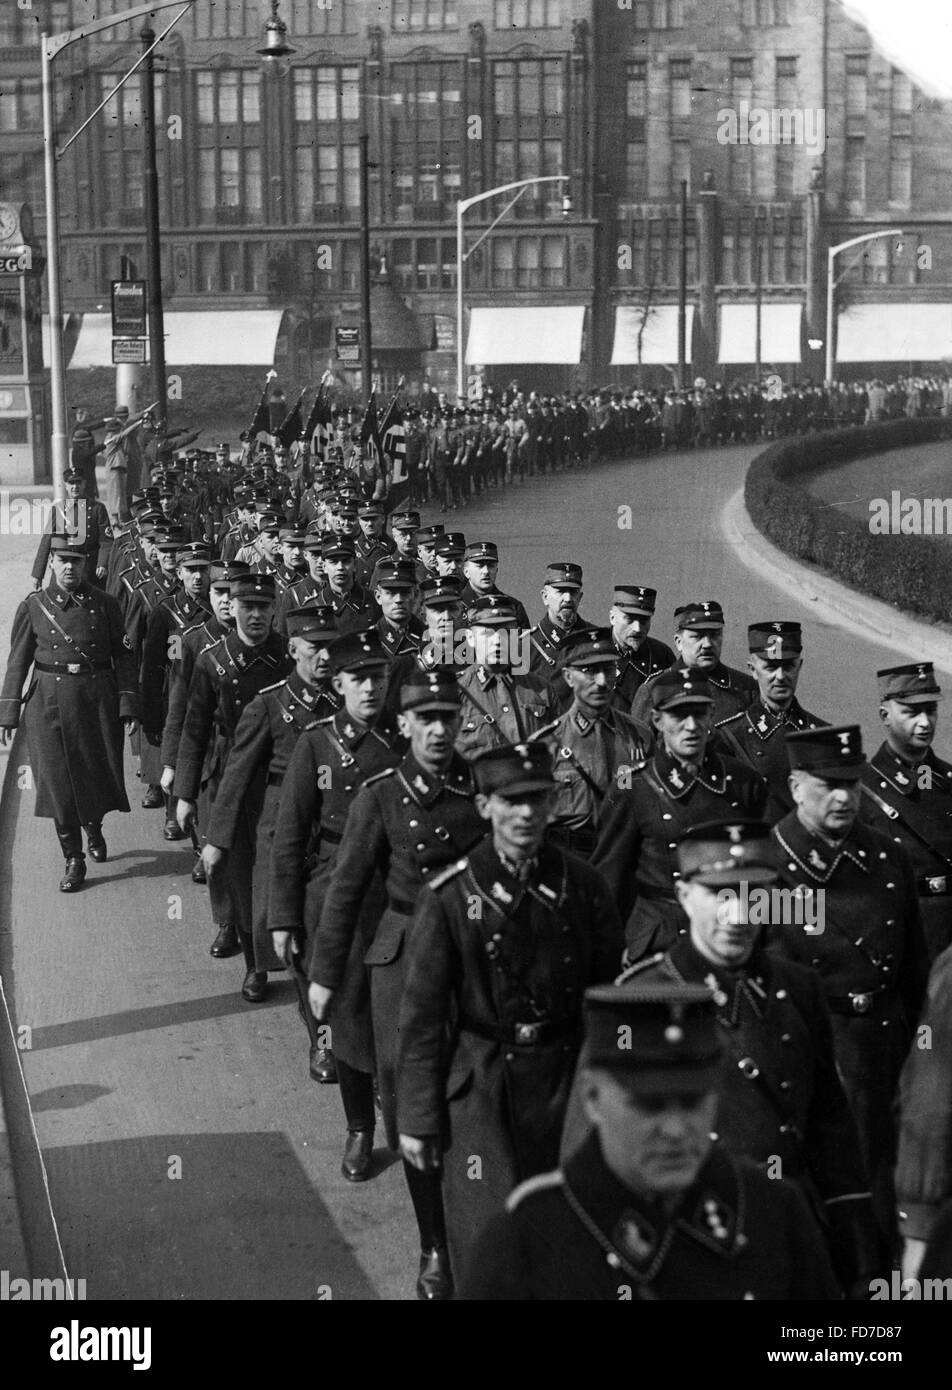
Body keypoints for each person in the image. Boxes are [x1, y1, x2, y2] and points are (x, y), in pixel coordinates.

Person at [565, 818, 882, 1295]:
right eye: (719, 893)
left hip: (786, 1235)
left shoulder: (797, 989)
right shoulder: (637, 1001)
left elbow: (831, 1132)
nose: (737, 915)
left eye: (753, 894)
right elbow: (586, 1148)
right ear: (685, 894)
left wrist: (860, 1258)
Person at [397, 740, 624, 1284]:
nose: (525, 813)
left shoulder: (584, 887)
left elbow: (607, 997)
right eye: (509, 800)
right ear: (483, 807)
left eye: (537, 799)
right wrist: (419, 1120)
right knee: (487, 1245)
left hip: (566, 1086)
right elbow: (423, 1021)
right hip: (482, 1090)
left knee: (573, 1245)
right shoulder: (450, 896)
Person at [459, 980, 841, 1300]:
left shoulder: (772, 1212)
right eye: (648, 1105)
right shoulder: (526, 1241)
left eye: (693, 1101)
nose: (675, 1130)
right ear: (592, 1098)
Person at [308, 672, 485, 1300]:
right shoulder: (379, 796)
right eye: (424, 718)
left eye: (448, 717)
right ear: (404, 725)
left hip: (474, 962)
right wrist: (326, 975)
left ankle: (482, 1225)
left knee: (478, 1099)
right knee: (414, 1103)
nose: (438, 730)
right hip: (404, 963)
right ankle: (434, 1243)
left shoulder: (483, 787)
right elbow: (346, 889)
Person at [770, 724, 929, 1248]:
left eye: (852, 784)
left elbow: (913, 971)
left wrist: (919, 1052)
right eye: (826, 785)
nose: (843, 797)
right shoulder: (767, 869)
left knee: (880, 1185)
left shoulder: (887, 857)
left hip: (881, 1047)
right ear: (796, 787)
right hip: (809, 1047)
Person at [269, 630, 404, 1113]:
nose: (370, 689)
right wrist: (283, 916)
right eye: (359, 679)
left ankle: (392, 1093)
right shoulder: (317, 744)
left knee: (394, 1002)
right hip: (333, 889)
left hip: (396, 890)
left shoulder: (406, 740)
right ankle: (358, 1127)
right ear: (341, 684)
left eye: (379, 678)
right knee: (344, 1007)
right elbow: (288, 837)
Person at [202, 607, 341, 1006]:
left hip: (332, 820)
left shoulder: (344, 701)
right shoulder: (268, 705)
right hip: (281, 822)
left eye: (331, 647)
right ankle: (256, 967)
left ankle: (317, 1009)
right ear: (294, 649)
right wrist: (218, 839)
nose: (326, 657)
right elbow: (236, 775)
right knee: (267, 904)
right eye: (316, 648)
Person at [593, 669, 767, 964]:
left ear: (711, 716)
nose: (691, 726)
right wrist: (606, 953)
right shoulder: (633, 786)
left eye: (699, 714)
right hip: (659, 939)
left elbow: (766, 871)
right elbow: (609, 879)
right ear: (658, 720)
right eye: (678, 715)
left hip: (728, 930)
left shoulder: (743, 782)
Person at [173, 572, 291, 1001]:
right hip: (231, 780)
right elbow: (195, 728)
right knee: (240, 874)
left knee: (281, 869)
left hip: (281, 776)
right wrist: (185, 793)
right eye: (247, 607)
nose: (256, 615)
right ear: (233, 608)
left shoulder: (289, 656)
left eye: (263, 607)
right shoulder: (212, 661)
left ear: (274, 607)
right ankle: (255, 966)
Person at [0, 535, 139, 891]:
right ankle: (73, 858)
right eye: (62, 560)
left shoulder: (106, 605)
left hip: (94, 702)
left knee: (92, 774)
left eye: (76, 561)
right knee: (57, 783)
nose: (68, 567)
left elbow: (123, 657)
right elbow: (18, 661)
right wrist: (8, 712)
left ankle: (93, 825)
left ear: (86, 565)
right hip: (47, 704)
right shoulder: (34, 607)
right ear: (51, 564)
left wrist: (126, 703)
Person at [530, 627, 650, 859]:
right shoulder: (547, 744)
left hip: (624, 856)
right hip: (569, 858)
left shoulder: (640, 736)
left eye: (608, 669)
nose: (602, 681)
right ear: (568, 677)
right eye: (590, 671)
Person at [860, 663, 952, 961]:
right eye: (912, 712)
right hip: (905, 937)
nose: (925, 722)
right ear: (885, 716)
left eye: (930, 710)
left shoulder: (946, 781)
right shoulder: (865, 790)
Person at [714, 622, 828, 823]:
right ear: (753, 670)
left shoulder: (824, 734)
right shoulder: (728, 737)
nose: (781, 676)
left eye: (789, 666)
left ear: (799, 666)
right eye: (770, 667)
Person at [455, 597, 557, 759]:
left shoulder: (542, 690)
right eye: (487, 633)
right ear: (471, 638)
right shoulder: (456, 693)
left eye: (506, 632)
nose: (497, 641)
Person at [631, 601, 755, 727]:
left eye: (714, 635)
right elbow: (640, 742)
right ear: (679, 642)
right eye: (697, 637)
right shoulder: (653, 690)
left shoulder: (747, 688)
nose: (707, 644)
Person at [606, 585, 675, 712]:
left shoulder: (662, 655)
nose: (637, 628)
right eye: (629, 619)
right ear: (612, 618)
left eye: (644, 620)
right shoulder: (592, 649)